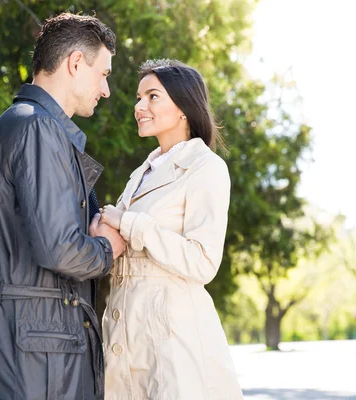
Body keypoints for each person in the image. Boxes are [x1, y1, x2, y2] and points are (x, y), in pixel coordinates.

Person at [0, 13, 125, 400]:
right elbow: (59, 248)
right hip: (33, 360)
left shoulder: (11, 124)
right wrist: (107, 248)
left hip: (12, 349)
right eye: (104, 73)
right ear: (75, 63)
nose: (106, 89)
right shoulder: (39, 128)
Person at [98, 59, 243, 399]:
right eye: (138, 97)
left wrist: (130, 223)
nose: (139, 106)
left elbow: (203, 262)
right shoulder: (141, 173)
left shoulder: (206, 168)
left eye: (152, 96)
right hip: (125, 337)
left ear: (184, 108)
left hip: (174, 341)